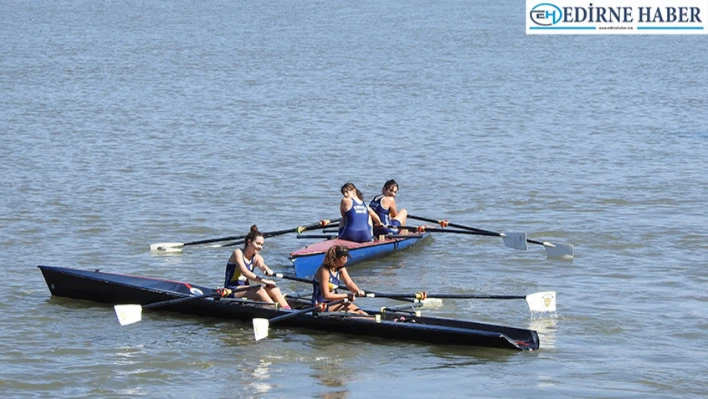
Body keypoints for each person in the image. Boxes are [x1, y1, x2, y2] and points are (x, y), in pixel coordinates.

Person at [224, 225, 290, 309]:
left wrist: (267, 270)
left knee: (274, 289)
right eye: (258, 244)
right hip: (231, 290)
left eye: (262, 245)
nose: (260, 247)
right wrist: (264, 281)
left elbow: (262, 266)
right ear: (249, 242)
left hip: (246, 289)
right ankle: (274, 309)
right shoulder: (238, 253)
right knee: (259, 291)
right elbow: (245, 272)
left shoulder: (257, 257)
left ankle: (288, 310)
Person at [312, 245, 367, 315]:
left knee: (360, 312)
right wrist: (347, 295)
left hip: (334, 302)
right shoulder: (324, 270)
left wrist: (358, 291)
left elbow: (349, 283)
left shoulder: (341, 268)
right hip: (321, 305)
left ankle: (373, 322)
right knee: (353, 313)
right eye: (345, 257)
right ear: (340, 258)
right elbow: (326, 295)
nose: (347, 259)